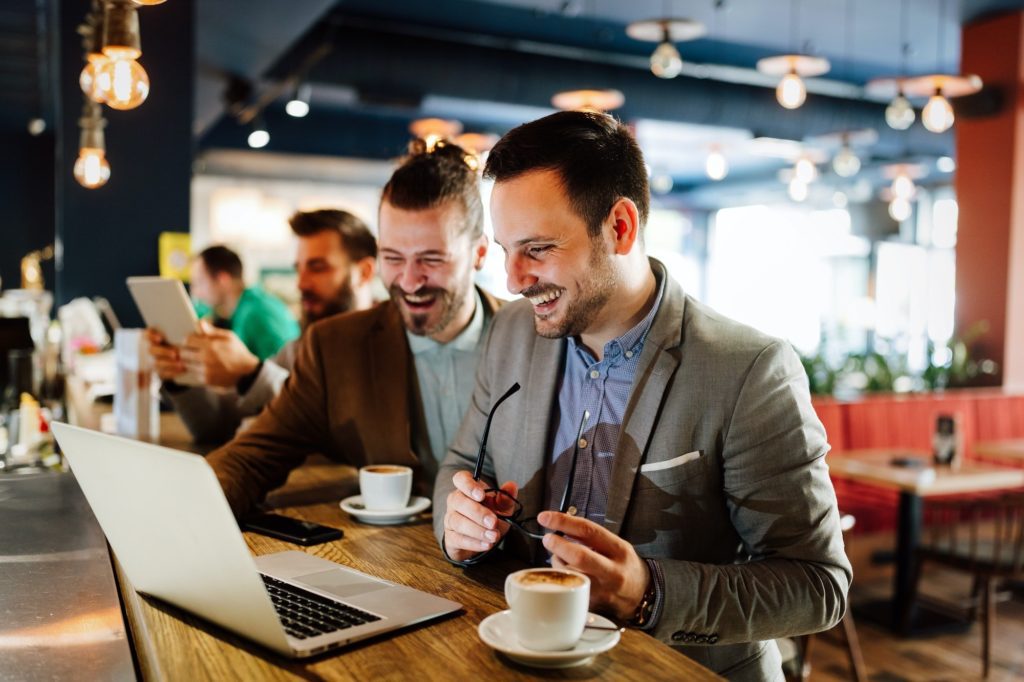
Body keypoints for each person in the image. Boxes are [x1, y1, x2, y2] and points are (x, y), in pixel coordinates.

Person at [434, 111, 851, 681]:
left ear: (621, 227)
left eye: (537, 248)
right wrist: (460, 526)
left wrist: (648, 593)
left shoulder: (749, 369)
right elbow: (459, 465)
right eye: (505, 248)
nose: (513, 279)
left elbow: (817, 584)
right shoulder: (511, 330)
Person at [205, 140, 501, 517]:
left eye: (431, 259)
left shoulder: (537, 340)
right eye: (393, 258)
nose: (409, 282)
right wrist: (189, 505)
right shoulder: (334, 348)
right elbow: (250, 458)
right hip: (389, 557)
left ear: (478, 253)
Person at [148, 210, 378, 442]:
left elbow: (340, 427)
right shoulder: (299, 349)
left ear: (364, 272)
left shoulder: (389, 347)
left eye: (318, 268)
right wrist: (180, 376)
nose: (301, 283)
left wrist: (250, 373)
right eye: (299, 269)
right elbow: (217, 426)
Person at [187, 244, 299, 361]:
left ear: (223, 280)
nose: (196, 293)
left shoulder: (255, 314)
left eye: (199, 282)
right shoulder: (242, 305)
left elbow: (281, 373)